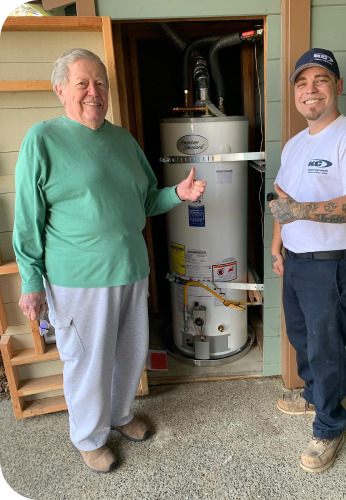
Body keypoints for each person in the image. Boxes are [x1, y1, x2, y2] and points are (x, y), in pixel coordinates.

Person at [13, 48, 206, 474]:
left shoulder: (123, 140)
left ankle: (119, 416)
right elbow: (27, 220)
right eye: (82, 82)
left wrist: (180, 194)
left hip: (132, 270)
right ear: (60, 89)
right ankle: (88, 437)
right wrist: (30, 281)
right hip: (77, 278)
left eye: (100, 83)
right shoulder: (42, 139)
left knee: (128, 353)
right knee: (88, 362)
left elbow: (148, 199)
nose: (93, 92)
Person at [269, 48, 346, 473]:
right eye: (302, 83)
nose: (310, 90)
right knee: (303, 339)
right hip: (297, 261)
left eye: (320, 80)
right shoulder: (297, 143)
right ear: (296, 94)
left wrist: (302, 213)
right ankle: (315, 395)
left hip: (331, 264)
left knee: (327, 348)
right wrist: (278, 243)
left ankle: (330, 427)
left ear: (338, 87)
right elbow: (282, 198)